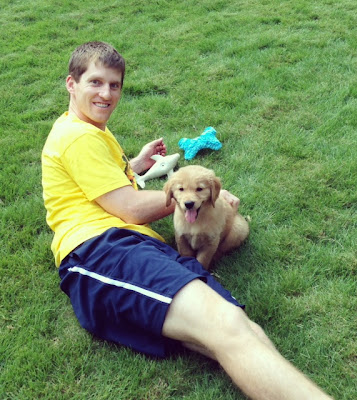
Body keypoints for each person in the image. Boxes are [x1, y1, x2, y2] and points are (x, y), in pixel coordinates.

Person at [41, 41, 333, 400]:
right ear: (71, 84)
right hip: (100, 250)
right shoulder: (77, 137)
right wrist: (191, 196)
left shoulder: (88, 129)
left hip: (133, 244)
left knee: (237, 323)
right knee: (227, 325)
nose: (107, 94)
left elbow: (101, 181)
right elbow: (130, 207)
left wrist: (135, 166)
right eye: (96, 83)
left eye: (115, 85)